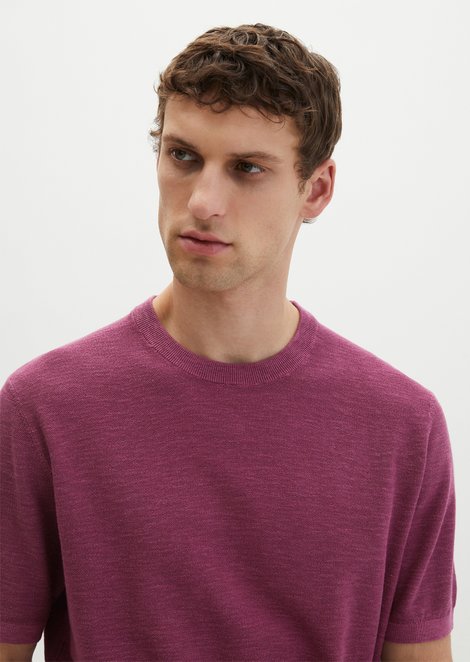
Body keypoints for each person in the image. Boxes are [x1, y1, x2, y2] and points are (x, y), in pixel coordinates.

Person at [0, 23, 456, 662]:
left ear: (316, 190)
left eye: (247, 168)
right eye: (183, 156)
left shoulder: (403, 427)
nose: (203, 202)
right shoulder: (44, 409)